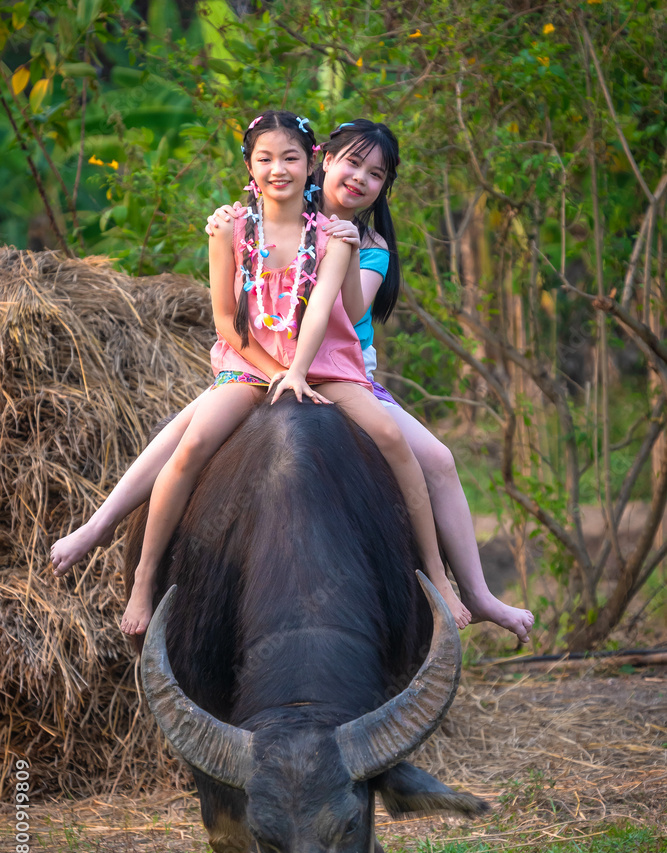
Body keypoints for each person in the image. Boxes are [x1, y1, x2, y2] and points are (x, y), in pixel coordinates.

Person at [53, 110, 457, 635]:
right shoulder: (232, 229)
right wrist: (276, 373)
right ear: (250, 166)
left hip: (324, 364)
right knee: (191, 441)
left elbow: (322, 314)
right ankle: (144, 576)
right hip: (252, 363)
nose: (278, 168)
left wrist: (297, 372)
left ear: (311, 163)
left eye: (290, 157)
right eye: (265, 158)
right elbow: (227, 319)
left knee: (392, 437)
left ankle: (439, 576)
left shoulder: (338, 236)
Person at [206, 119, 534, 643]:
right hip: (263, 365)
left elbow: (333, 307)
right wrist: (231, 220)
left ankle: (473, 590)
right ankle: (123, 551)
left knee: (440, 460)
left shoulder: (367, 242)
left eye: (376, 174)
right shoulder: (284, 212)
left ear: (384, 187)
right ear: (323, 161)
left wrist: (340, 244)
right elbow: (257, 225)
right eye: (351, 162)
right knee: (183, 441)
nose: (359, 178)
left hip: (341, 371)